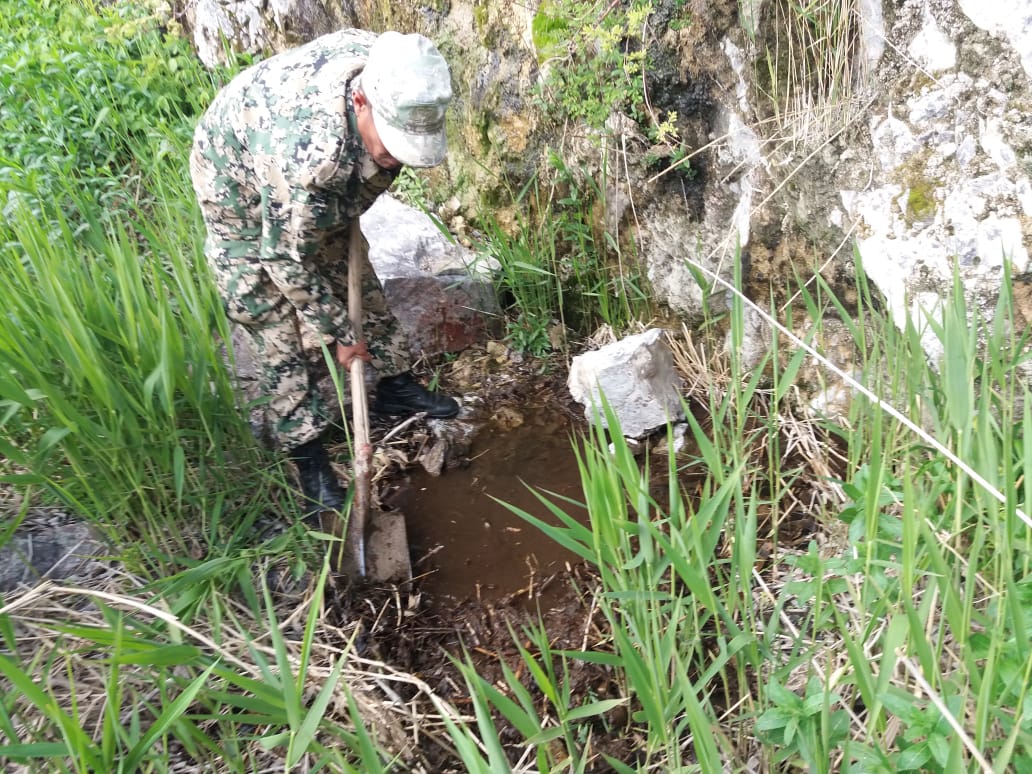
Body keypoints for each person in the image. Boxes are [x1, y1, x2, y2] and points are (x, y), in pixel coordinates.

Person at [190, 29, 460, 521]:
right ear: (361, 102)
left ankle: (394, 386)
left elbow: (344, 217)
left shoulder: (399, 69)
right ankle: (308, 455)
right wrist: (339, 333)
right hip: (237, 179)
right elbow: (282, 260)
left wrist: (359, 187)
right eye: (392, 143)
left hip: (307, 151)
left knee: (353, 272)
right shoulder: (306, 158)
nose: (397, 158)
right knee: (265, 308)